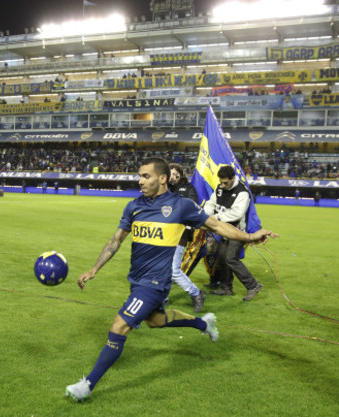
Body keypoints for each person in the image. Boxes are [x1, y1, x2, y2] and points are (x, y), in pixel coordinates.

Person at [65, 158, 278, 402]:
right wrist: (94, 269)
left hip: (155, 283)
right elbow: (116, 241)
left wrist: (250, 237)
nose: (140, 180)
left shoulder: (181, 206)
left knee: (119, 326)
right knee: (156, 321)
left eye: (146, 176)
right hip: (137, 280)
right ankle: (203, 324)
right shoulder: (133, 206)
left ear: (162, 179)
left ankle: (87, 385)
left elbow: (217, 226)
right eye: (140, 175)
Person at [204, 165, 263, 301]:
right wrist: (207, 214)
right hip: (224, 231)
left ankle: (253, 285)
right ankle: (226, 288)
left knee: (231, 258)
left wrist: (217, 218)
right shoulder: (219, 188)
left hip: (237, 232)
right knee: (222, 257)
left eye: (226, 182)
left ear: (233, 178)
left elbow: (237, 213)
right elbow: (211, 203)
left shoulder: (242, 192)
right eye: (221, 182)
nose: (223, 185)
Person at [168, 163, 206, 312]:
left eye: (175, 174)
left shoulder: (189, 189)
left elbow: (191, 209)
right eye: (170, 174)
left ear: (180, 175)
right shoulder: (162, 189)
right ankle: (162, 298)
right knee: (161, 267)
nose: (173, 177)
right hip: (163, 234)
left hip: (181, 233)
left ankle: (196, 293)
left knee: (174, 270)